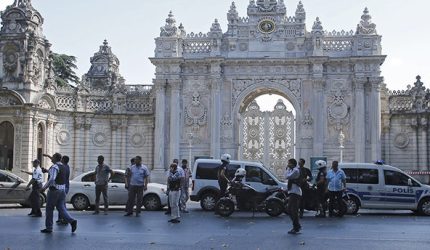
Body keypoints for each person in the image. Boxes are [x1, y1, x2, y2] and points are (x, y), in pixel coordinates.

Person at [40, 153, 77, 233]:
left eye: (52, 157)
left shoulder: (55, 166)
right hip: (62, 190)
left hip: (54, 190)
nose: (51, 158)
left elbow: (52, 179)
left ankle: (49, 227)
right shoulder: (64, 167)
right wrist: (47, 171)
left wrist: (44, 188)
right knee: (61, 208)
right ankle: (72, 221)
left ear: (56, 158)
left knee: (49, 209)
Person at [285, 158, 302, 234]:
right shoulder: (292, 170)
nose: (288, 164)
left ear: (292, 164)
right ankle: (296, 226)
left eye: (289, 163)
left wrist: (287, 169)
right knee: (291, 210)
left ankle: (296, 226)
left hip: (295, 192)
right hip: (292, 191)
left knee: (292, 210)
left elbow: (287, 176)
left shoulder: (295, 170)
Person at [57, 155, 71, 224]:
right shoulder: (67, 166)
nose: (61, 160)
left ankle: (65, 219)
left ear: (63, 160)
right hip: (65, 186)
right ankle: (61, 218)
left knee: (62, 203)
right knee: (60, 203)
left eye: (61, 159)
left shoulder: (64, 167)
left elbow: (57, 166)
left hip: (64, 187)